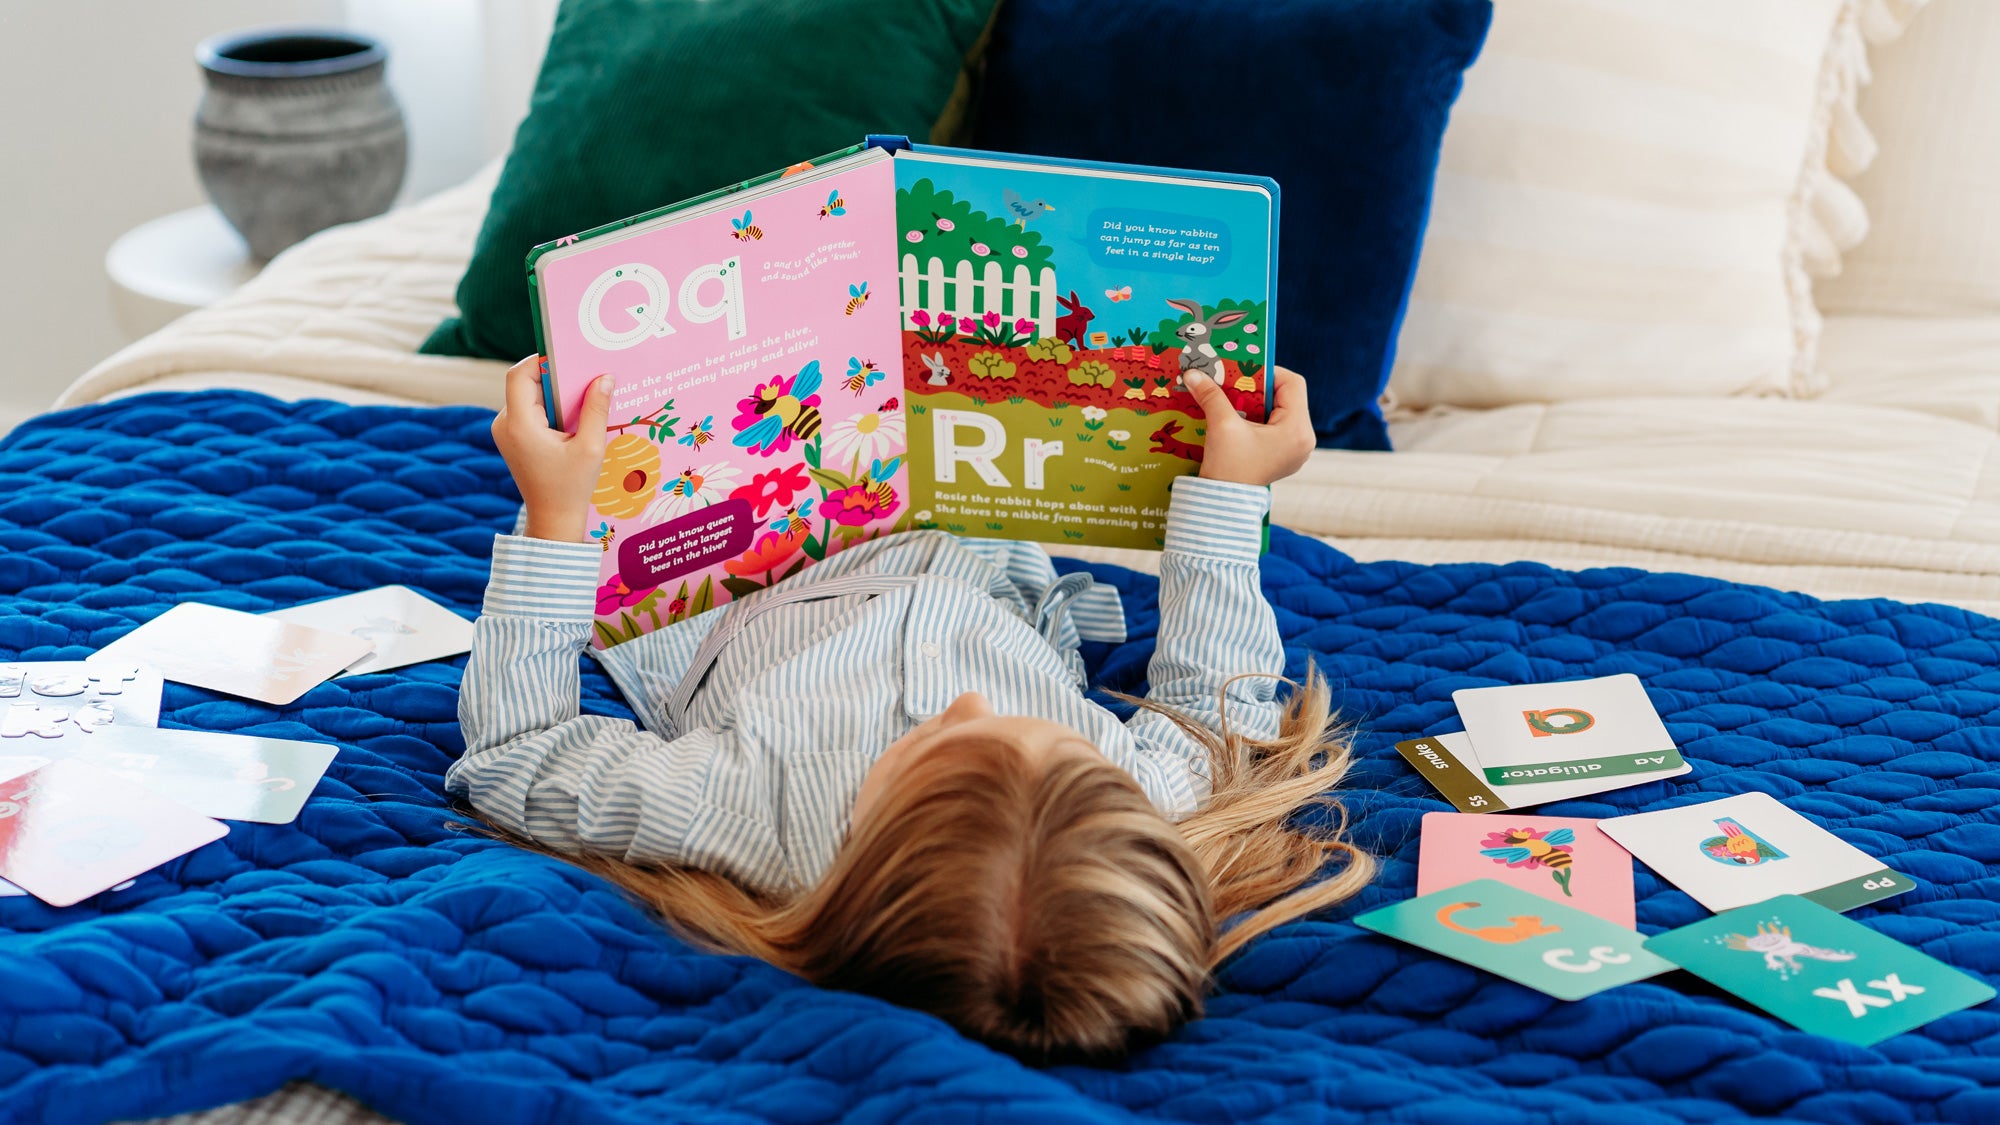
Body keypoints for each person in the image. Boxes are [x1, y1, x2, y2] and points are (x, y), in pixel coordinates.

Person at [452, 356, 1374, 1063]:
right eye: (1049, 729)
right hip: (967, 529)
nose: (967, 699)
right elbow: (1215, 702)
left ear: (863, 855)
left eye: (934, 739)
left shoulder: (742, 809)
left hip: (742, 561)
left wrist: (555, 514)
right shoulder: (1131, 797)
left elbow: (520, 751)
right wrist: (1231, 490)